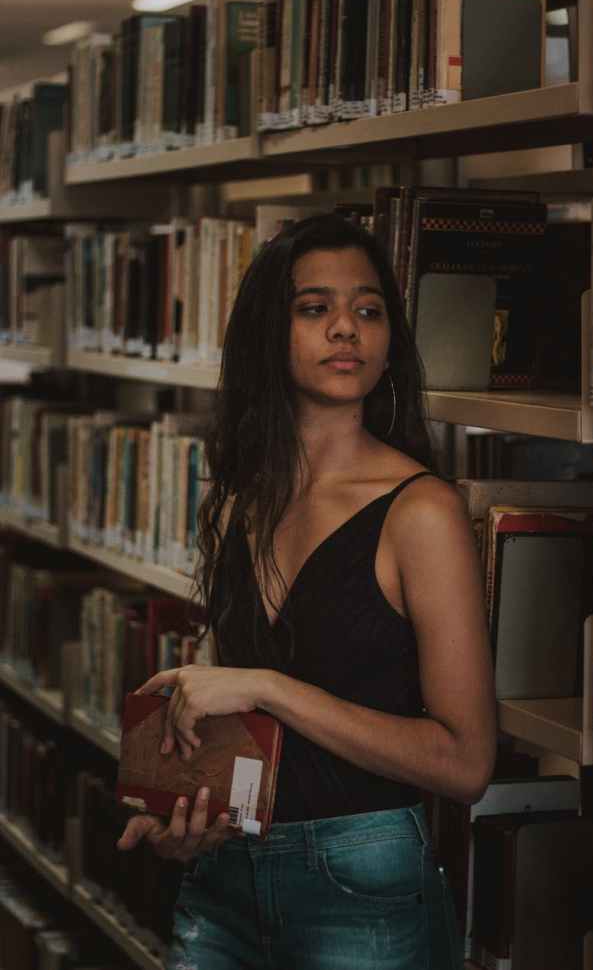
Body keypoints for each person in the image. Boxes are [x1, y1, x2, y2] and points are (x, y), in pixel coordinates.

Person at [117, 213, 497, 969]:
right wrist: (178, 815)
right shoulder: (238, 496)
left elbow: (465, 762)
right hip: (222, 876)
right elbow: (217, 711)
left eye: (367, 309)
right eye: (314, 308)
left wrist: (268, 686)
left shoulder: (422, 512)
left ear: (390, 339)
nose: (346, 330)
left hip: (360, 880)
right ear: (270, 331)